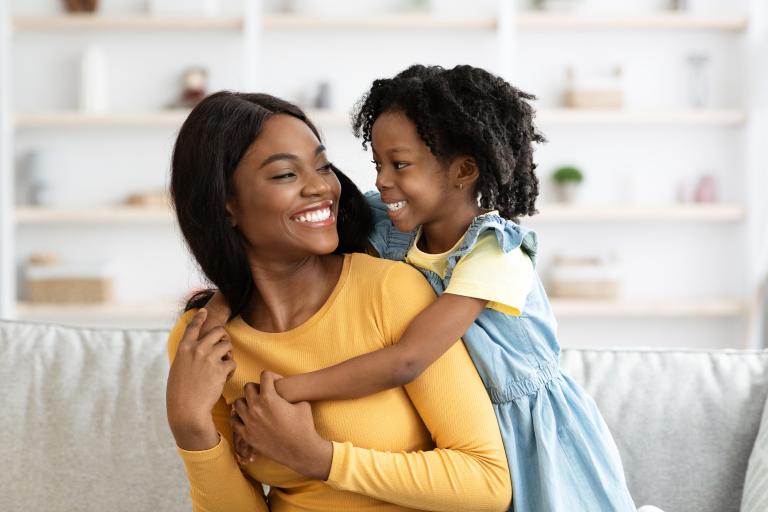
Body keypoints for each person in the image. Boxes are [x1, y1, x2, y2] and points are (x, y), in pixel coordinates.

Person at [205, 65, 643, 512]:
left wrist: (289, 392)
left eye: (400, 165)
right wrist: (222, 307)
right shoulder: (396, 223)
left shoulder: (493, 252)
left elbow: (409, 358)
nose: (381, 180)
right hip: (466, 413)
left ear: (463, 170)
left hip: (527, 424)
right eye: (377, 164)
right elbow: (269, 257)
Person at [165, 90, 512, 512]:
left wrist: (319, 459)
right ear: (226, 205)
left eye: (322, 166)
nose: (321, 187)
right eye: (285, 175)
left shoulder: (390, 291)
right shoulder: (203, 341)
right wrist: (189, 427)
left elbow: (487, 484)